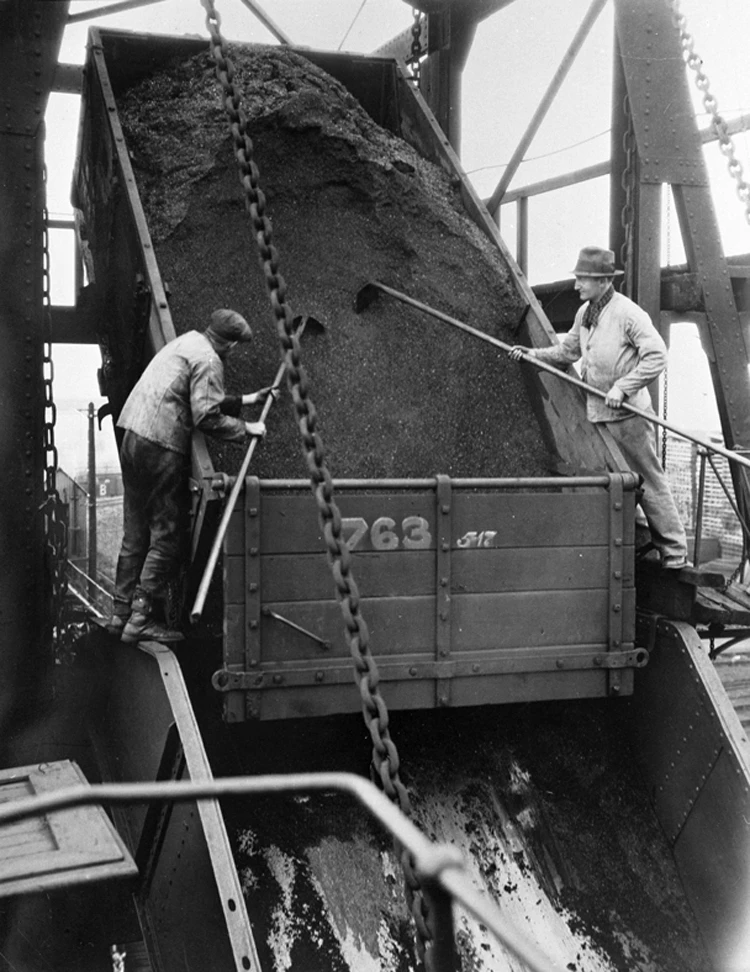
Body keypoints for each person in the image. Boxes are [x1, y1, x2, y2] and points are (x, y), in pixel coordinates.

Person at [509, 245, 689, 569]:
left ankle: (675, 554)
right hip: (598, 415)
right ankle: (638, 545)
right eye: (578, 278)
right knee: (619, 485)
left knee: (648, 479)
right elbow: (568, 353)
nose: (576, 286)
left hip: (628, 416)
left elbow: (657, 355)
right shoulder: (586, 313)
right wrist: (533, 354)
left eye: (583, 279)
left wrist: (623, 387)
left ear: (605, 280)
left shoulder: (629, 314)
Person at [109, 308, 274, 643]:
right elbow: (206, 416)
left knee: (135, 530)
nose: (233, 351)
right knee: (167, 536)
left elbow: (196, 395)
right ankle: (140, 619)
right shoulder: (211, 360)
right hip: (161, 444)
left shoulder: (188, 343)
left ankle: (120, 613)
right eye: (235, 345)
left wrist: (247, 400)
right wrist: (247, 429)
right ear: (228, 342)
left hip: (133, 436)